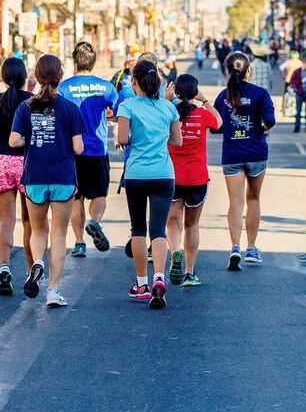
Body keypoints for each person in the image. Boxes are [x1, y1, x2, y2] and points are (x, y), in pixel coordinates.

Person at [9, 54, 85, 307]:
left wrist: (32, 140)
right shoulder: (70, 108)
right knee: (59, 233)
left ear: (37, 76)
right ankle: (53, 291)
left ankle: (37, 263)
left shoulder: (25, 107)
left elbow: (13, 141)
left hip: (35, 176)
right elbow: (79, 148)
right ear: (61, 75)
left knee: (38, 228)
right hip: (63, 177)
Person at [116, 60, 182, 308]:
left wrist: (135, 136)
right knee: (158, 229)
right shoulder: (168, 108)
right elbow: (177, 142)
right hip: (164, 174)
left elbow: (123, 139)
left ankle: (141, 284)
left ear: (134, 82)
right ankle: (159, 279)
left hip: (136, 175)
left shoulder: (127, 106)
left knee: (138, 230)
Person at [214, 51, 276, 270]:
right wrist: (259, 130)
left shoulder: (223, 96)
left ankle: (234, 247)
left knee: (235, 202)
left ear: (227, 71)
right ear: (248, 70)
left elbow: (216, 126)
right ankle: (251, 247)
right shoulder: (260, 93)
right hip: (257, 152)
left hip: (232, 154)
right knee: (253, 200)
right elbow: (270, 120)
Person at [59, 42, 119, 257]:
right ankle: (94, 221)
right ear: (94, 61)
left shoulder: (64, 88)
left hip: (72, 151)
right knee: (100, 194)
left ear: (75, 61)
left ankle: (79, 243)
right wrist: (106, 116)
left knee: (77, 198)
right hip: (97, 149)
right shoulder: (106, 87)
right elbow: (118, 111)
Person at [0, 57, 34, 295]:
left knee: (7, 220)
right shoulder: (32, 101)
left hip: (1, 161)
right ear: (25, 76)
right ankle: (29, 270)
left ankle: (4, 267)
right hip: (26, 162)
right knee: (29, 221)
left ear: (3, 77)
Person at [166, 73, 221, 287]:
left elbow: (153, 116)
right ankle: (189, 273)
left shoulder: (169, 112)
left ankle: (175, 253)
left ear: (177, 91)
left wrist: (168, 99)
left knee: (173, 222)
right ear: (194, 92)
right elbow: (219, 122)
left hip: (172, 176)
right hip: (197, 177)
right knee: (192, 224)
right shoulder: (202, 114)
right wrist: (205, 100)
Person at [291, 56, 306, 133]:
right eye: (305, 64)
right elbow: (292, 80)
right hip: (300, 93)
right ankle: (297, 126)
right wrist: (299, 82)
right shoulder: (297, 71)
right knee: (298, 111)